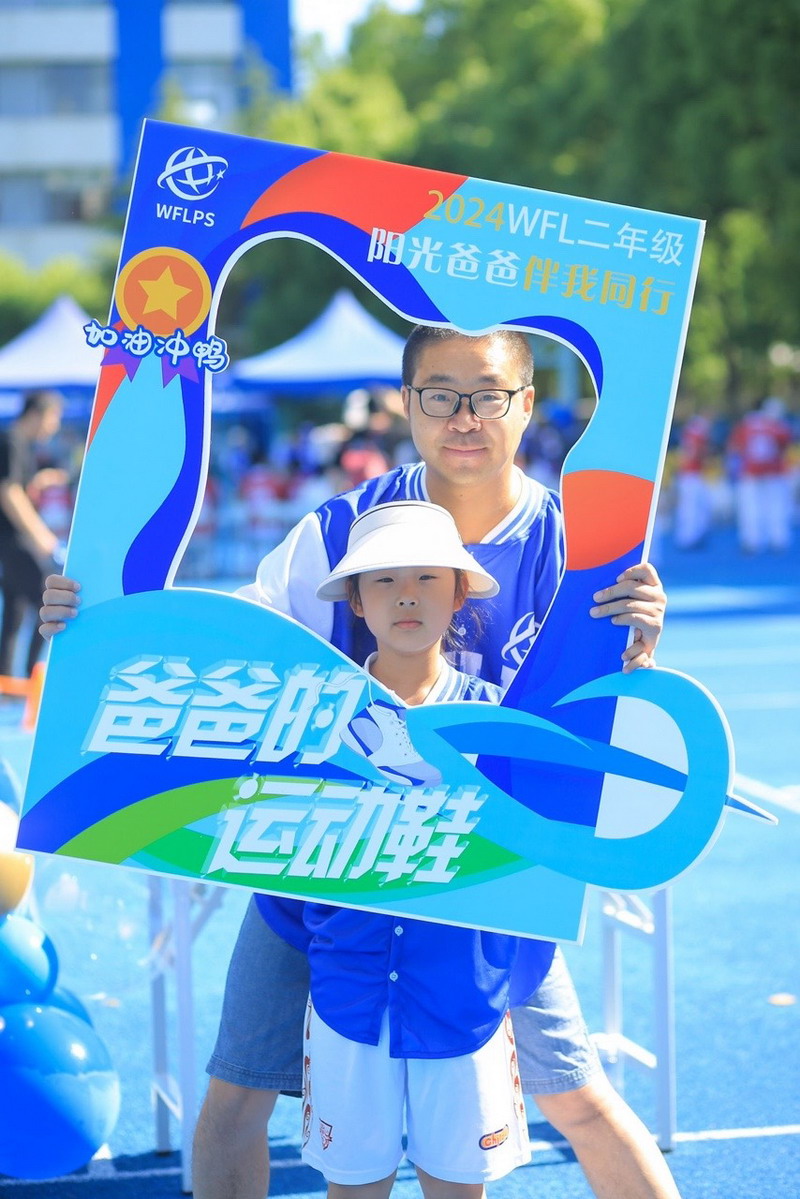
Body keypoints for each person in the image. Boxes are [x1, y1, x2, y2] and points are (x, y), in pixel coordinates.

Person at [40, 325, 676, 1199]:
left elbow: (604, 730)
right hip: (327, 853)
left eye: (487, 395)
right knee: (236, 1093)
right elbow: (232, 649)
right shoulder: (340, 529)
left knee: (578, 1096)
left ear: (527, 404)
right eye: (440, 394)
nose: (463, 416)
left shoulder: (582, 551)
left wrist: (635, 654)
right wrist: (98, 627)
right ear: (406, 402)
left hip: (484, 871)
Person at [260, 499, 556, 1196]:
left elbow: (540, 864)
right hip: (348, 1001)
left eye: (426, 577)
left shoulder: (499, 721)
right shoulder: (316, 723)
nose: (406, 596)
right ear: (356, 602)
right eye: (384, 580)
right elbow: (280, 873)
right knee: (353, 1186)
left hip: (464, 1004)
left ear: (458, 594)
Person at [0, 389, 64, 678]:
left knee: (14, 610)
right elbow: (9, 492)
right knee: (45, 600)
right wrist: (41, 537)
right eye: (53, 418)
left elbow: (18, 485)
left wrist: (41, 481)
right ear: (37, 414)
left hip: (13, 540)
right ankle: (31, 676)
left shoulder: (21, 444)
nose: (54, 426)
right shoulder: (11, 441)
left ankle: (7, 681)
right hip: (14, 539)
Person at [727, 397, 794, 553]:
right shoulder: (777, 427)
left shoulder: (746, 425)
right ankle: (777, 538)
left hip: (750, 472)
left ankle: (753, 539)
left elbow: (735, 447)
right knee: (776, 506)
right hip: (773, 472)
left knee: (751, 507)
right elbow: (785, 445)